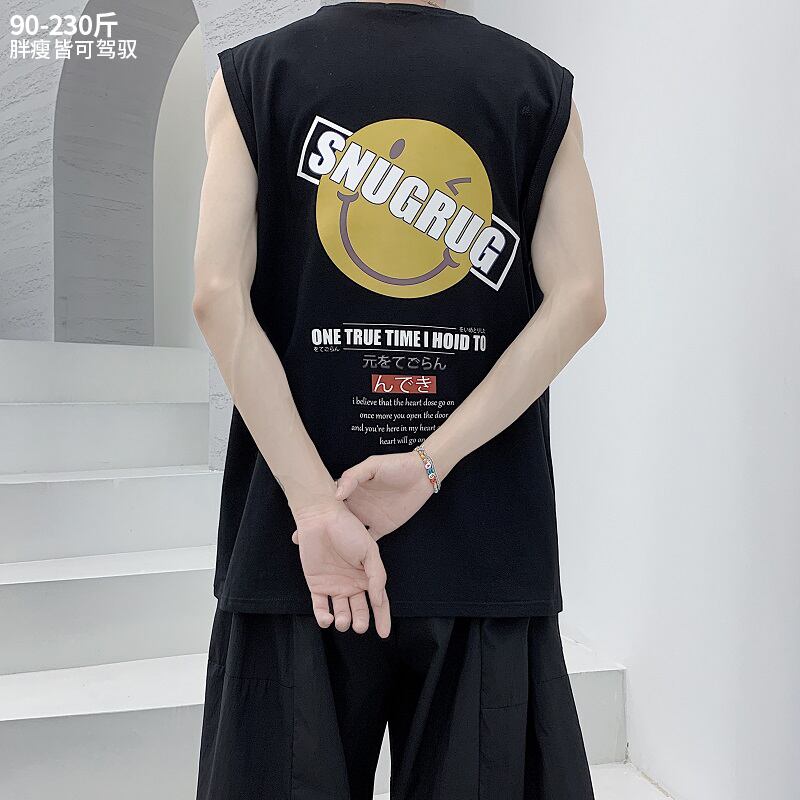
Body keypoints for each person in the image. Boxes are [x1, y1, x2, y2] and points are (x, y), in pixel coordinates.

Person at [193, 1, 605, 798]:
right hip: (482, 537)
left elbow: (216, 295)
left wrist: (316, 506)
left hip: (301, 548)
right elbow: (581, 298)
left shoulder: (254, 77)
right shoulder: (535, 86)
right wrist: (428, 463)